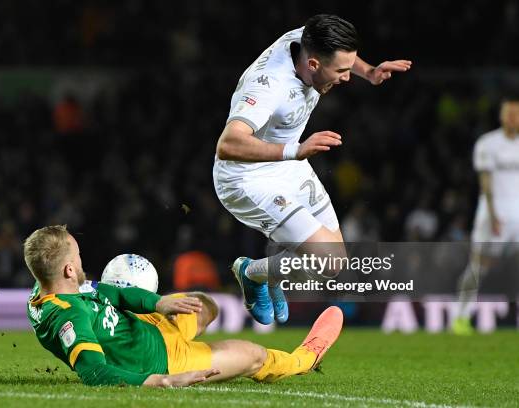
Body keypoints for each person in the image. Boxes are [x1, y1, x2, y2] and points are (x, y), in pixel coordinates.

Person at [213, 14, 411, 324]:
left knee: (335, 262)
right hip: (246, 177)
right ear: (314, 64)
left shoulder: (310, 39)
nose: (347, 77)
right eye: (342, 71)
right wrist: (296, 149)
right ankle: (252, 274)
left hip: (288, 162)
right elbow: (228, 145)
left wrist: (368, 72)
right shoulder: (270, 86)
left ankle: (262, 274)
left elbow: (343, 54)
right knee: (326, 260)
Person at [24, 225, 343, 387]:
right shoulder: (69, 317)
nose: (82, 261)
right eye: (77, 257)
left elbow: (115, 295)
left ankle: (247, 290)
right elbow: (93, 370)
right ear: (68, 270)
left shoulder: (50, 285)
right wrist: (163, 381)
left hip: (151, 327)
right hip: (167, 361)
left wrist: (159, 302)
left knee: (204, 304)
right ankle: (306, 358)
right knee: (254, 357)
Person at [452, 96, 519, 335]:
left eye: (516, 113)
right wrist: (493, 215)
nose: (512, 118)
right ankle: (460, 317)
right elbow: (486, 184)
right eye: (508, 113)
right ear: (501, 116)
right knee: (479, 267)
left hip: (517, 216)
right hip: (492, 216)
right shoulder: (487, 144)